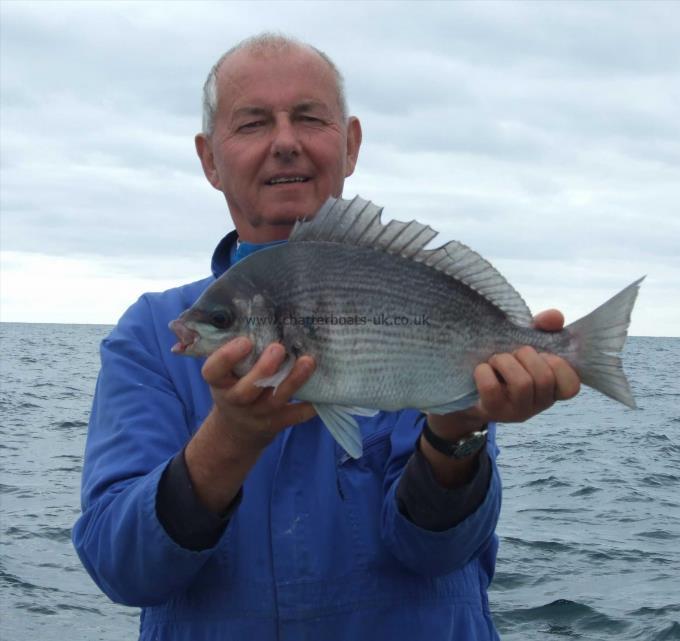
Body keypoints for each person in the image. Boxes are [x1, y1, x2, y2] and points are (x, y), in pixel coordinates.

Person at [73, 33, 580, 641]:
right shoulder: (150, 337)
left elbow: (436, 553)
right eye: (254, 122)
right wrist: (228, 441)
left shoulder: (409, 292)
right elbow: (120, 568)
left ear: (351, 144)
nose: (285, 141)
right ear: (210, 159)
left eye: (309, 118)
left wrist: (458, 431)